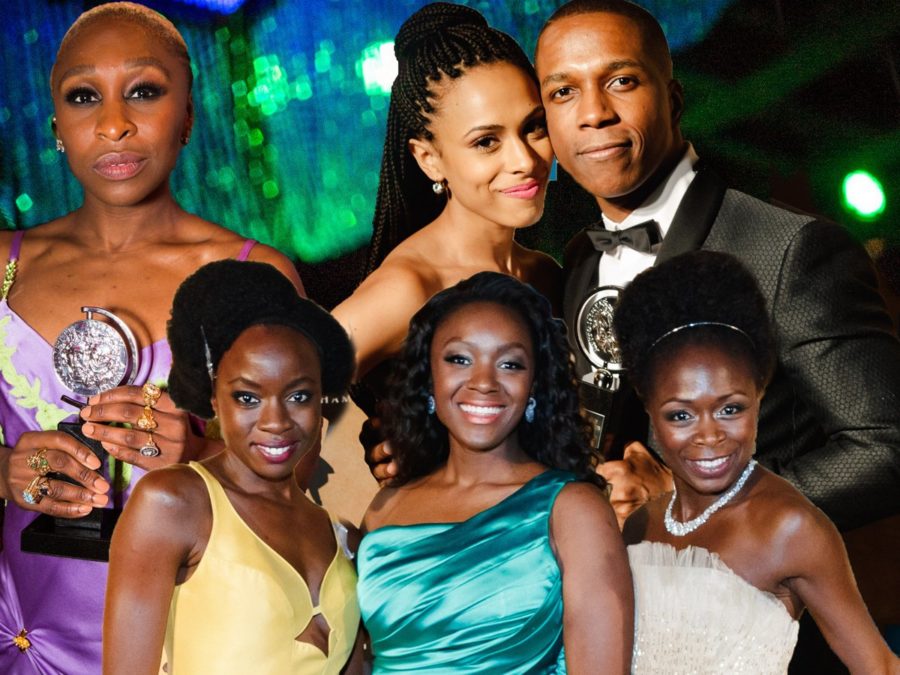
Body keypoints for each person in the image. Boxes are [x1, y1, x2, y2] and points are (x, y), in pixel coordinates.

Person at [0, 4, 301, 672]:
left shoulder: (254, 274)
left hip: (195, 630)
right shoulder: (4, 265)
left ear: (189, 115)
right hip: (23, 629)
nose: (114, 124)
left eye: (143, 90)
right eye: (85, 97)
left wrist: (199, 448)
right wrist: (3, 468)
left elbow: (297, 479)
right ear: (55, 128)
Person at [534, 0, 900, 534]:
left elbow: (887, 446)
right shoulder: (578, 261)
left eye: (621, 81)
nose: (593, 112)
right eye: (563, 92)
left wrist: (702, 502)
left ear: (673, 98)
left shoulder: (787, 250)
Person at [614, 250, 898, 674]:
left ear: (759, 396)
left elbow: (880, 667)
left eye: (730, 409)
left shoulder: (789, 527)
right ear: (649, 409)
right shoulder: (639, 525)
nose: (710, 436)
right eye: (681, 415)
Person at [357, 272, 632, 674]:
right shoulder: (385, 507)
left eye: (509, 364)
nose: (484, 382)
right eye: (459, 359)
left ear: (535, 385)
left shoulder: (572, 510)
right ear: (428, 378)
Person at [103, 260, 360, 675]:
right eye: (247, 398)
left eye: (298, 397)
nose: (276, 422)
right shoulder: (173, 503)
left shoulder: (335, 532)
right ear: (213, 398)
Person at [332, 1, 561, 381]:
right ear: (428, 159)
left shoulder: (544, 274)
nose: (525, 159)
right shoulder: (411, 290)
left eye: (534, 127)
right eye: (487, 141)